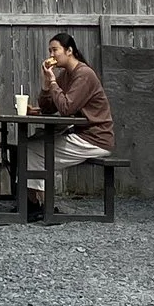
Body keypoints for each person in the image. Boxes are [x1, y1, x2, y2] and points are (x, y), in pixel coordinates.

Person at [25, 31, 115, 218]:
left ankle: (41, 205)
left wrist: (52, 81)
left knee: (33, 149)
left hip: (94, 137)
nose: (51, 55)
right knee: (30, 143)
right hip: (79, 132)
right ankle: (31, 202)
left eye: (55, 50)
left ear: (69, 51)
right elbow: (49, 108)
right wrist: (45, 84)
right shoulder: (66, 75)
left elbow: (66, 108)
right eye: (50, 51)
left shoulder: (84, 74)